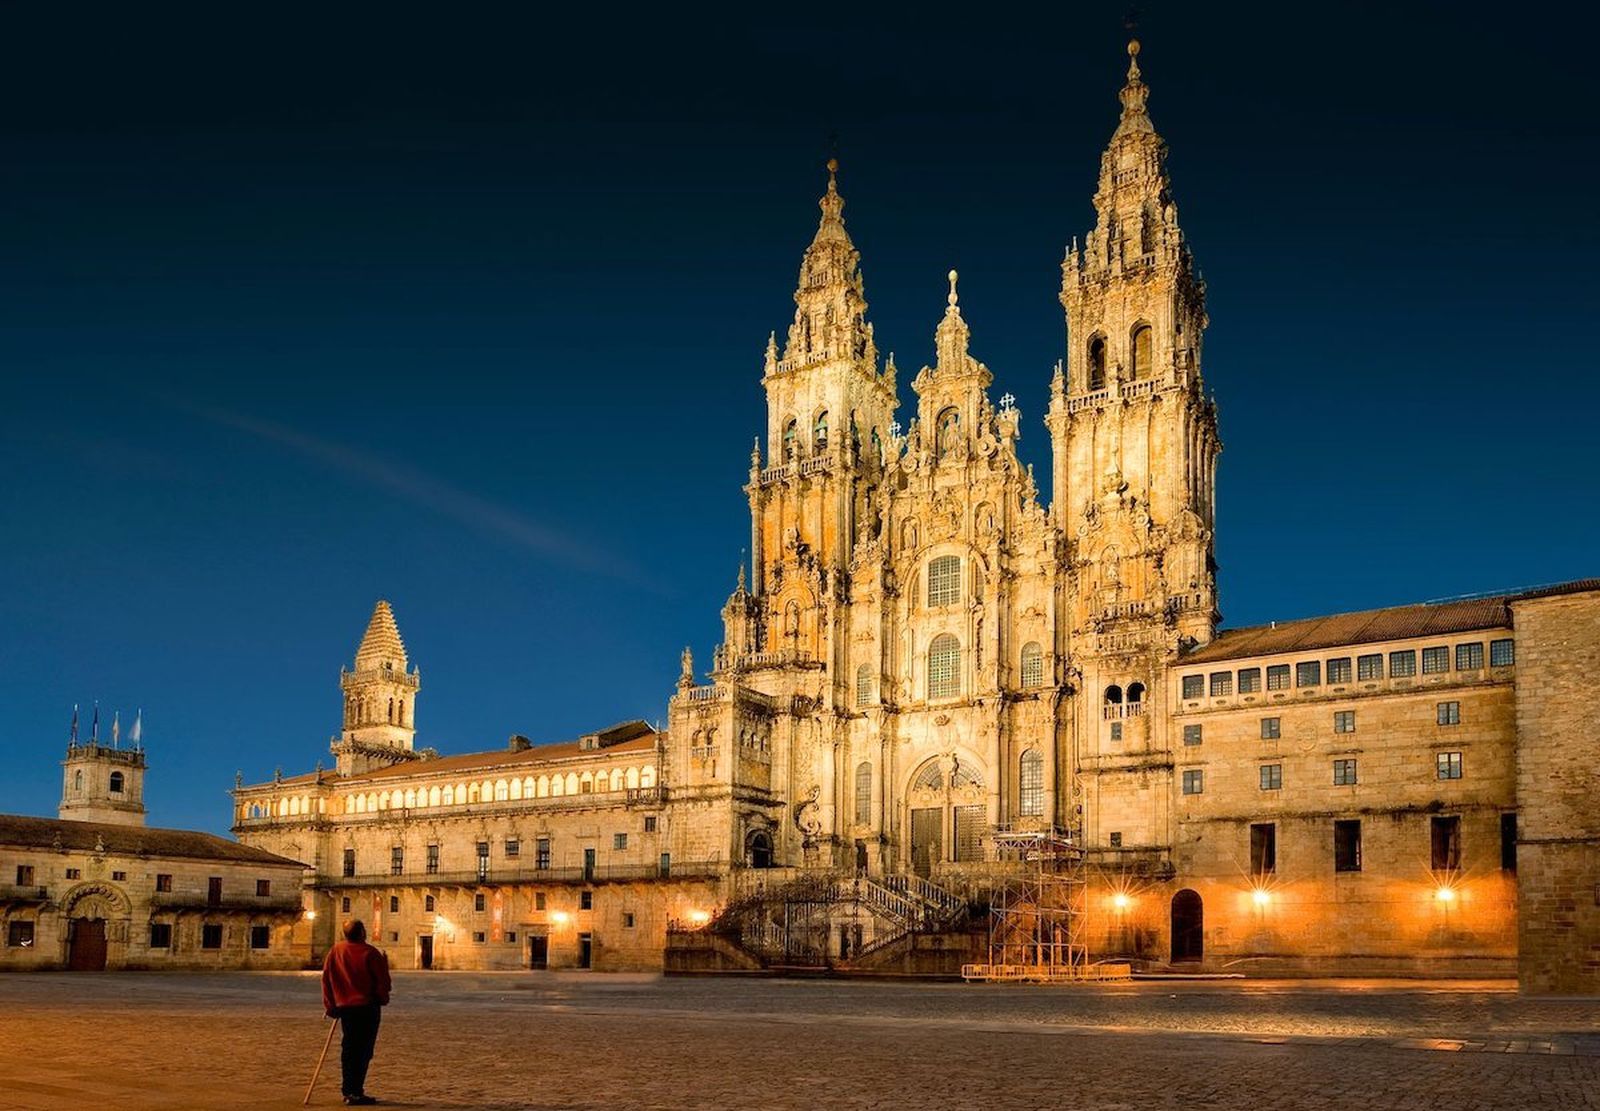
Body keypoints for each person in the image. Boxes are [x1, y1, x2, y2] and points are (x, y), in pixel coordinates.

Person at [320, 919, 392, 1106]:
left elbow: (326, 980)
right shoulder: (371, 953)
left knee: (349, 1049)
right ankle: (356, 1092)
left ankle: (348, 1090)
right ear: (361, 933)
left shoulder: (335, 951)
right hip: (366, 1008)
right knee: (363, 1051)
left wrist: (331, 1006)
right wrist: (384, 966)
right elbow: (383, 983)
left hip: (345, 1008)